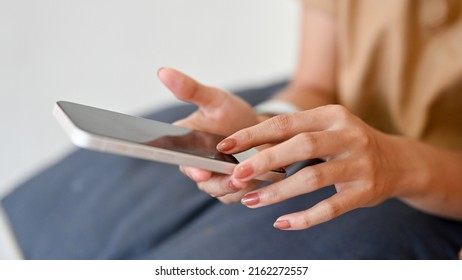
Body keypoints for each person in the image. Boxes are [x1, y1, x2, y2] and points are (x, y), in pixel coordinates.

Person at [2, 0, 462, 259]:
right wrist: (265, 123)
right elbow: (317, 81)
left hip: (439, 181)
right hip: (339, 135)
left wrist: (398, 165)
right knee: (70, 213)